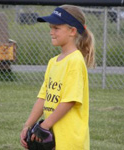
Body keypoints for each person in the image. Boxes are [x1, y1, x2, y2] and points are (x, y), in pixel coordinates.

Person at [20, 4, 95, 150]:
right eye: (50, 28)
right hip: (54, 136)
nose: (51, 32)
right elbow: (43, 98)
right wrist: (28, 125)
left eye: (56, 28)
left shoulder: (75, 61)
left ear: (72, 31)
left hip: (70, 140)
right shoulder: (53, 62)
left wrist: (43, 126)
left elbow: (70, 101)